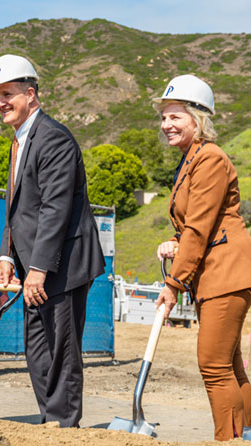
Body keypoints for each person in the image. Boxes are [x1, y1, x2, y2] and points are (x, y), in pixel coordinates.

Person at [0, 54, 105, 427]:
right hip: (34, 267)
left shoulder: (54, 138)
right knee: (38, 350)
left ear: (31, 94)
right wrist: (7, 257)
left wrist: (37, 269)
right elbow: (17, 207)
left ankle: (64, 428)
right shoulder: (19, 141)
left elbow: (54, 210)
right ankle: (50, 423)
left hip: (63, 266)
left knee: (61, 353)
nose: (1, 103)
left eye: (8, 94)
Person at [154, 74, 251, 441]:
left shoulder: (209, 158)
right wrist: (175, 241)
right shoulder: (191, 160)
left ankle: (227, 440)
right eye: (164, 118)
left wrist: (172, 284)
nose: (166, 125)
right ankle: (245, 434)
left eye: (175, 116)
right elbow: (192, 228)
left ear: (199, 119)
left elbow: (199, 229)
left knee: (213, 365)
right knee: (228, 364)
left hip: (226, 273)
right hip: (217, 273)